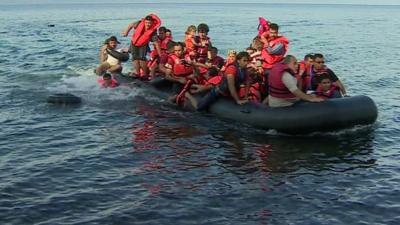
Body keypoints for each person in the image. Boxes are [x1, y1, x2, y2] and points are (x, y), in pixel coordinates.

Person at [185, 51, 251, 111]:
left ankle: (198, 88)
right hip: (218, 92)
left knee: (203, 88)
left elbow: (248, 83)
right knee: (199, 108)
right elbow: (231, 87)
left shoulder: (245, 70)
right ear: (238, 61)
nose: (246, 63)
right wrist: (237, 100)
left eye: (247, 61)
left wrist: (246, 97)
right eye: (244, 60)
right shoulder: (232, 69)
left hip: (228, 94)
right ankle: (188, 95)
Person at [121, 14, 162, 79]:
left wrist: (160, 55)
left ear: (152, 23)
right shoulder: (139, 23)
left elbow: (156, 43)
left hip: (143, 45)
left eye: (149, 23)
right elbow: (131, 25)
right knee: (135, 58)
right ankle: (138, 73)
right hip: (134, 43)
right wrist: (126, 32)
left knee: (142, 59)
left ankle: (145, 74)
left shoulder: (153, 31)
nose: (148, 24)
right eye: (146, 22)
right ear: (144, 21)